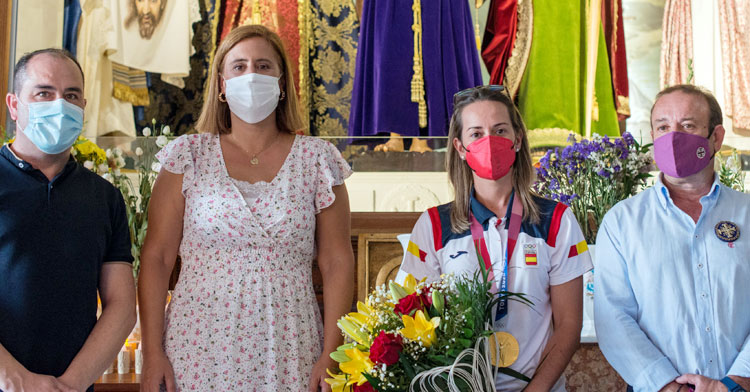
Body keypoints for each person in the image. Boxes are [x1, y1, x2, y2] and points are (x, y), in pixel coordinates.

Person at [138, 25, 354, 392]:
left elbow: (337, 261)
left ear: (282, 82)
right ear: (221, 85)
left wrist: (332, 353)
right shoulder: (188, 156)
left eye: (264, 66)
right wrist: (153, 351)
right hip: (198, 344)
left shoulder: (317, 160)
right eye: (239, 67)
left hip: (289, 343)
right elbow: (157, 258)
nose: (251, 75)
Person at [396, 85, 592, 391]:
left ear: (517, 139)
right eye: (476, 133)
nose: (489, 141)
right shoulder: (434, 225)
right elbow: (414, 318)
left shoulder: (556, 220)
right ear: (460, 147)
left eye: (500, 130)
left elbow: (568, 326)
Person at [595, 84, 750, 392]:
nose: (673, 137)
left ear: (716, 138)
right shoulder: (623, 222)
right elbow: (613, 317)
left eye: (688, 126)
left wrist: (736, 382)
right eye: (663, 127)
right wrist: (667, 386)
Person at [0, 48, 136, 392]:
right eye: (44, 93)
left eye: (71, 95)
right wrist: (15, 379)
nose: (59, 104)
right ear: (15, 105)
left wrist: (69, 386)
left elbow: (121, 305)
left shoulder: (104, 197)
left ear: (83, 107)